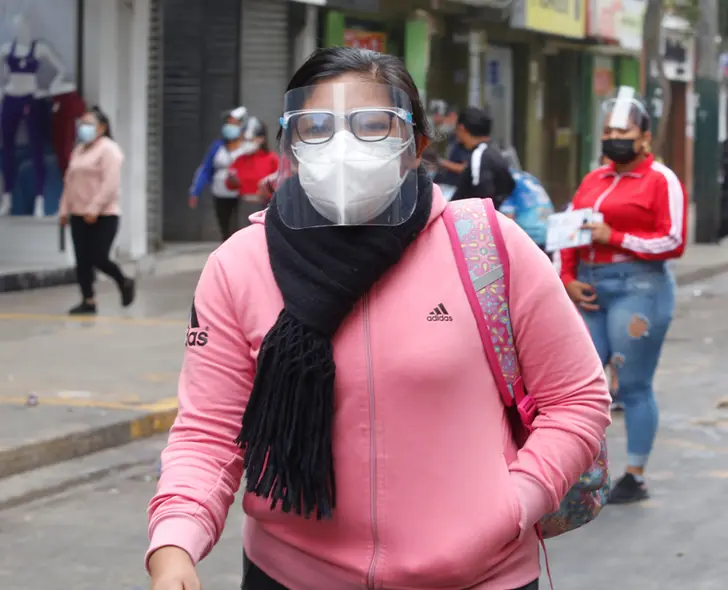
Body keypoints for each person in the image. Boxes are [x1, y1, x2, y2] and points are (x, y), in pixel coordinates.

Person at [146, 47, 611, 590]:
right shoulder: (239, 266)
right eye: (316, 127)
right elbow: (209, 434)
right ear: (292, 146)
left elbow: (577, 399)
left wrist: (513, 502)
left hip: (478, 576)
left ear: (414, 147)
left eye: (371, 126)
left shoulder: (488, 247)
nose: (342, 147)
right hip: (289, 576)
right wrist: (175, 545)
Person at [559, 88, 687, 504]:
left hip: (639, 287)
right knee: (581, 381)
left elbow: (673, 239)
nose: (614, 137)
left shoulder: (660, 180)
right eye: (609, 130)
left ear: (645, 137)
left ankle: (634, 474)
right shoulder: (594, 178)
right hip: (590, 286)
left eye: (623, 130)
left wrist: (615, 237)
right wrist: (566, 276)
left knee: (631, 383)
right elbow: (571, 230)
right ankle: (580, 470)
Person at [56, 106, 135, 315]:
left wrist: (94, 207)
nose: (84, 129)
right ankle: (88, 301)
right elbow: (69, 182)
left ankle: (123, 281)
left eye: (89, 125)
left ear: (102, 127)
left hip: (104, 214)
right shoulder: (78, 150)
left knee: (99, 257)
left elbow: (110, 184)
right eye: (82, 125)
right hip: (78, 213)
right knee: (82, 260)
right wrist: (64, 209)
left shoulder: (109, 150)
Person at [188, 106, 250, 241]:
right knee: (225, 227)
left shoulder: (247, 147)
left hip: (241, 195)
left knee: (238, 227)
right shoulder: (217, 146)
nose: (230, 126)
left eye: (234, 123)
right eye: (228, 123)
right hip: (220, 194)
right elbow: (205, 169)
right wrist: (195, 191)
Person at [450, 106, 516, 207]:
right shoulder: (494, 152)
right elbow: (509, 185)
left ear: (461, 128)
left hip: (475, 219)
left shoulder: (479, 156)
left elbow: (481, 196)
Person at [226, 116, 280, 215]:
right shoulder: (239, 160)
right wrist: (232, 180)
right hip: (244, 205)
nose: (246, 143)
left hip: (266, 206)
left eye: (250, 139)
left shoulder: (272, 159)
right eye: (244, 140)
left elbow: (281, 183)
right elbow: (230, 185)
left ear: (261, 139)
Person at [429, 106, 470, 200]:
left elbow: (464, 168)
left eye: (452, 117)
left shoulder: (464, 142)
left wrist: (442, 162)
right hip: (443, 183)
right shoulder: (451, 138)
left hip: (454, 187)